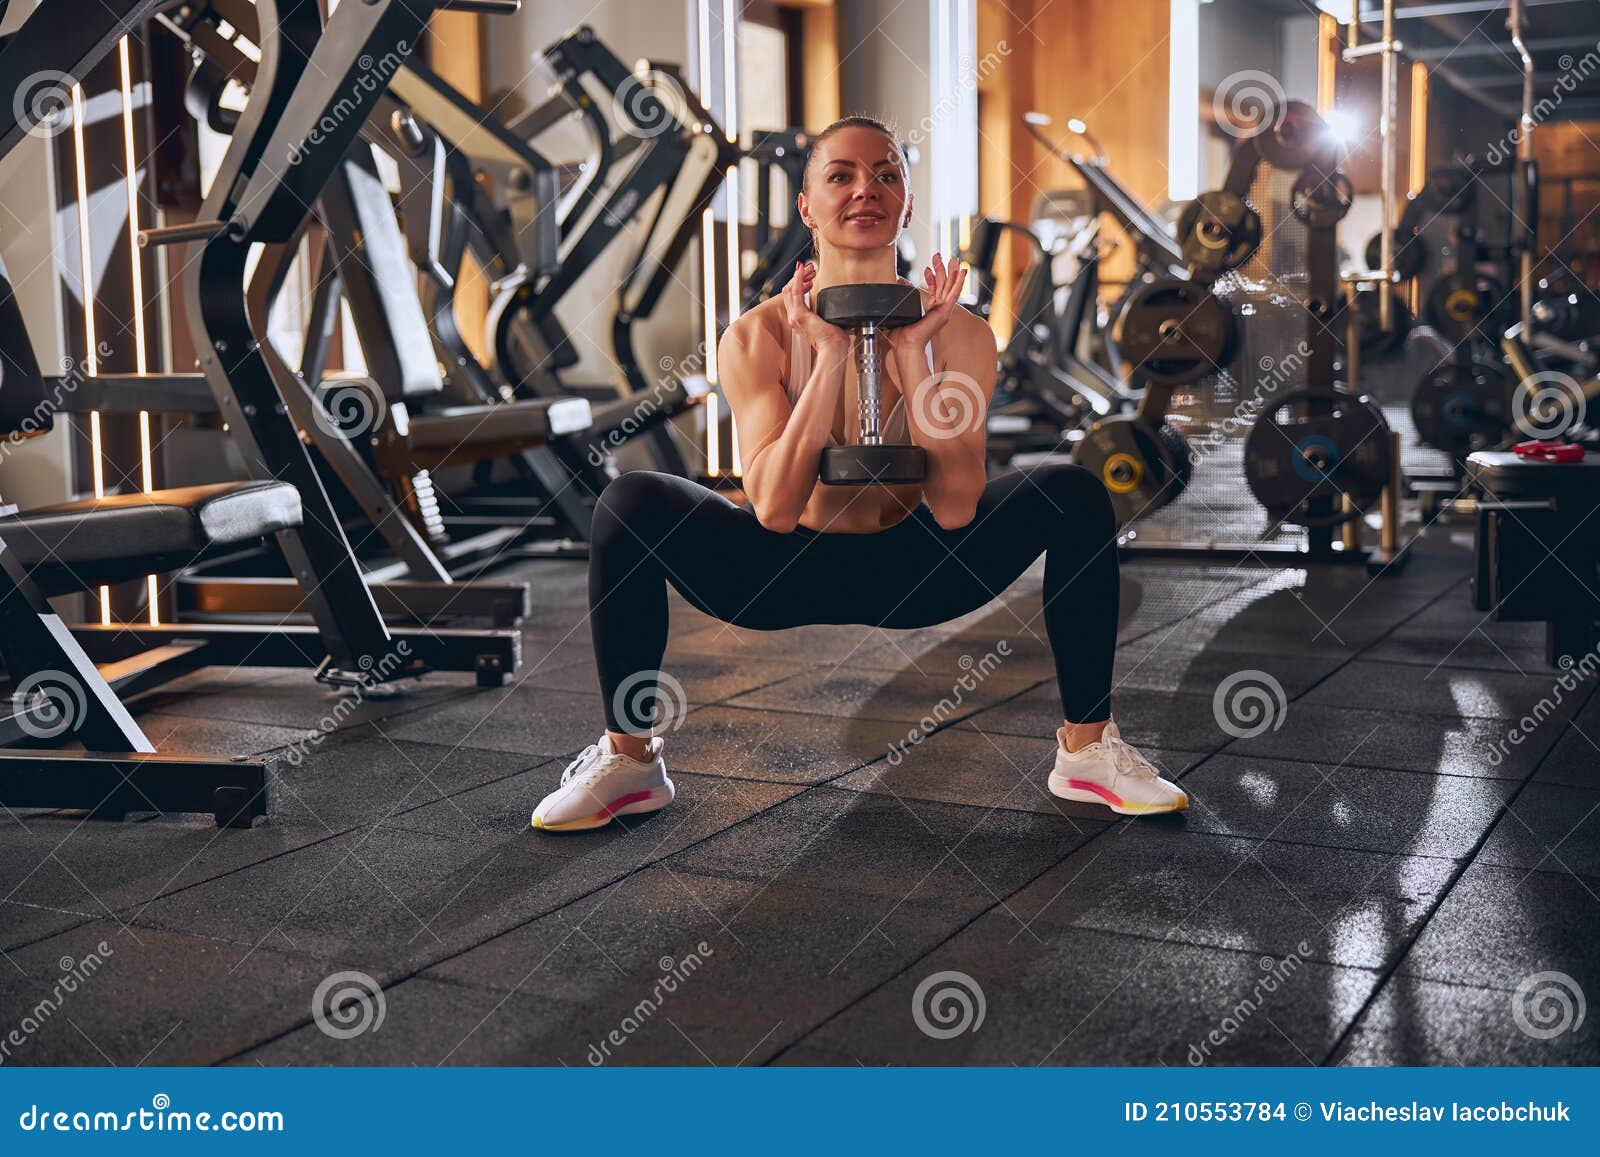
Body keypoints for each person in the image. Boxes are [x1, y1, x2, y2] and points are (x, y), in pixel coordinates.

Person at [532, 115, 1187, 831]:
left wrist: (913, 354)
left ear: (907, 205)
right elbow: (775, 507)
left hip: (920, 567)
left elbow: (958, 503)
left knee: (1075, 491)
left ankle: (1087, 752)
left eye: (886, 175)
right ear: (808, 206)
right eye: (840, 174)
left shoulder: (962, 335)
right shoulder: (756, 336)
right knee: (629, 501)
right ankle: (630, 760)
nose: (864, 189)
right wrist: (830, 355)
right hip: (778, 570)